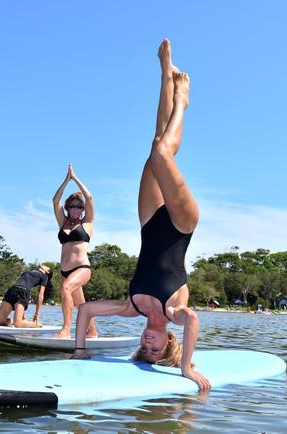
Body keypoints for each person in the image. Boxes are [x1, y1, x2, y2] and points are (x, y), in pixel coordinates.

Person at [71, 39, 211, 391]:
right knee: (163, 155)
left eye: (143, 348)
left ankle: (165, 76)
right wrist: (185, 369)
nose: (147, 343)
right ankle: (183, 101)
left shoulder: (129, 308)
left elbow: (85, 311)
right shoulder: (175, 314)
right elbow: (193, 319)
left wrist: (79, 351)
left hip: (149, 222)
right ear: (168, 345)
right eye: (154, 348)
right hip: (181, 225)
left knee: (155, 145)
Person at [52, 164, 97, 339]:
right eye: (72, 206)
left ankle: (65, 330)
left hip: (82, 268)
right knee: (81, 304)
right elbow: (55, 201)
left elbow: (90, 197)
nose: (76, 209)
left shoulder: (87, 223)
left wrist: (75, 178)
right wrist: (66, 180)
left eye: (79, 207)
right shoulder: (62, 222)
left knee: (65, 289)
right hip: (65, 271)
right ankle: (92, 331)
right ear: (68, 207)